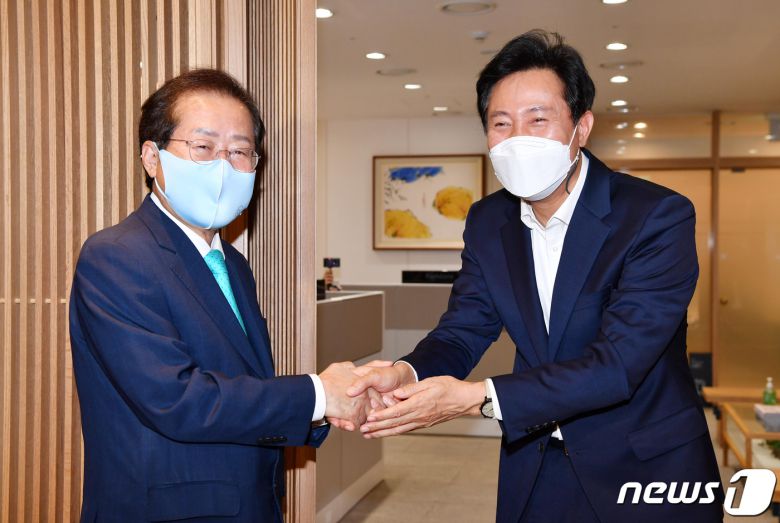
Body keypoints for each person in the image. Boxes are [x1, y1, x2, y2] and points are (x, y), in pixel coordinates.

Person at [348, 30, 723, 522]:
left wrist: (478, 399)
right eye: (501, 123)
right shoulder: (489, 221)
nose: (518, 138)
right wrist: (407, 373)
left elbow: (617, 364)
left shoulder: (654, 215)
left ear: (581, 127)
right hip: (537, 462)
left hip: (645, 466)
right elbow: (463, 329)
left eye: (538, 119)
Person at [69, 69, 381, 522]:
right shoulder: (116, 256)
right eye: (203, 146)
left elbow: (241, 382)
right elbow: (177, 399)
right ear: (152, 158)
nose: (222, 165)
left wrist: (328, 406)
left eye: (239, 151)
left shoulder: (231, 262)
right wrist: (318, 395)